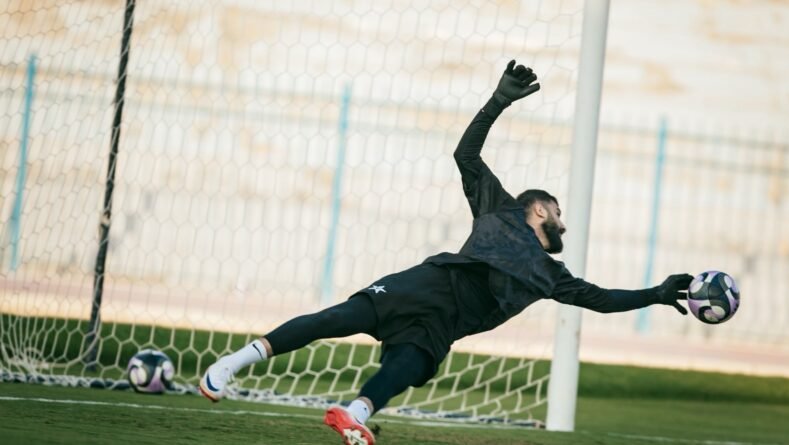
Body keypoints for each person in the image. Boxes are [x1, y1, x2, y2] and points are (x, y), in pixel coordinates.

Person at [198, 60, 693, 445]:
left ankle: (355, 414)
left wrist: (656, 293)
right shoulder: (500, 208)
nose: (564, 221)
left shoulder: (550, 274)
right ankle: (231, 364)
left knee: (407, 366)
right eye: (559, 211)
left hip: (448, 322)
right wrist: (498, 102)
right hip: (430, 283)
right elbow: (466, 155)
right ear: (539, 209)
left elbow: (602, 299)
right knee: (335, 319)